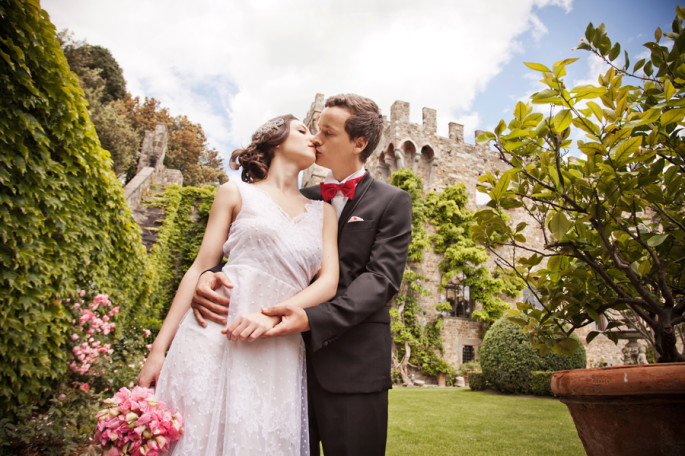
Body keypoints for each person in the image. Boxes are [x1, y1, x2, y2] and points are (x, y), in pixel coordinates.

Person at [194, 94, 413, 455]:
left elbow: (380, 281)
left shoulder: (392, 201)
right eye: (314, 130)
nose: (315, 139)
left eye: (327, 133)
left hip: (354, 367)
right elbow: (259, 250)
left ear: (359, 143)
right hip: (286, 365)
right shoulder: (303, 199)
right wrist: (210, 272)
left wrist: (308, 318)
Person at [137, 114, 339, 455]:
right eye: (303, 131)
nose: (314, 139)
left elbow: (329, 282)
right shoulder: (234, 192)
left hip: (277, 345)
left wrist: (275, 316)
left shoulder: (325, 212)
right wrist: (158, 351)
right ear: (276, 141)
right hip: (212, 333)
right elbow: (200, 267)